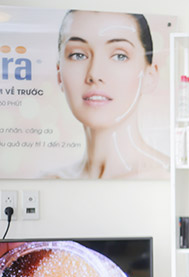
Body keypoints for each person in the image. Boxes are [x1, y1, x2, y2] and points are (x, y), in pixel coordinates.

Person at [54, 10, 168, 179]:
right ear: (59, 75)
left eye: (119, 56)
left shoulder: (167, 176)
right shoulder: (50, 180)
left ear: (149, 76)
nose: (95, 74)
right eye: (78, 55)